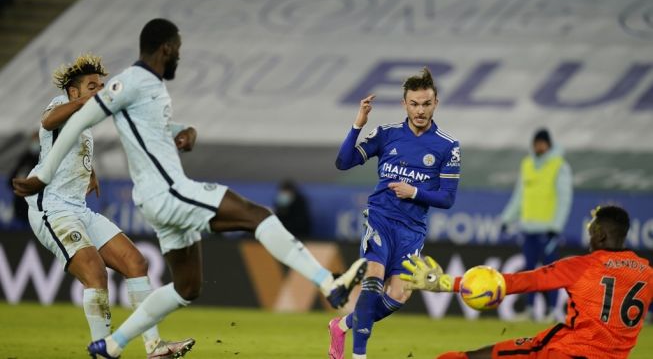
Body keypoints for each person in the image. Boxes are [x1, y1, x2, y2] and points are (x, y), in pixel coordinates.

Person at [12, 18, 367, 359]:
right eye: (178, 50)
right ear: (166, 49)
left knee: (176, 283)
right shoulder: (113, 88)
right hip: (146, 195)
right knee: (254, 215)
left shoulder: (150, 89)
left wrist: (185, 130)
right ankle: (328, 282)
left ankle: (122, 346)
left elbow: (149, 128)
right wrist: (43, 175)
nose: (99, 91)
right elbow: (60, 122)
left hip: (104, 205)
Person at [22, 53, 193, 358]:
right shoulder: (60, 104)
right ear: (73, 92)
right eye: (92, 86)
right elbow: (47, 122)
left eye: (101, 85)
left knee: (136, 263)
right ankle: (104, 353)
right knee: (95, 274)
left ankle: (155, 347)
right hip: (53, 210)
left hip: (79, 209)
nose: (99, 90)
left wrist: (90, 172)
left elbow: (71, 147)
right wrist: (84, 102)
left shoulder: (84, 122)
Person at [328, 67, 461, 359]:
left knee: (399, 294)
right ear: (404, 104)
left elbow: (447, 199)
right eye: (414, 103)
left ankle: (342, 326)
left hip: (412, 230)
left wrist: (413, 192)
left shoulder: (448, 147)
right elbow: (343, 162)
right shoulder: (387, 135)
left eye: (426, 103)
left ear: (435, 103)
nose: (420, 110)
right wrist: (357, 125)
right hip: (381, 219)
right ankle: (358, 356)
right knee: (372, 282)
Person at [402, 205, 653, 359]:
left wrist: (446, 283)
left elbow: (524, 281)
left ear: (600, 233)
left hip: (566, 352)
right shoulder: (646, 272)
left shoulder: (584, 266)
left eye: (592, 227)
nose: (588, 231)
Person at [499, 128, 573, 321]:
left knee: (550, 273)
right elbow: (519, 196)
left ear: (549, 144)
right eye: (537, 143)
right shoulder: (527, 164)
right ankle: (531, 309)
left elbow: (565, 199)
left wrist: (556, 227)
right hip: (528, 228)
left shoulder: (559, 166)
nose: (539, 146)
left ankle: (552, 311)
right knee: (529, 272)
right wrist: (507, 219)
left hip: (547, 229)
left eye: (542, 143)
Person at [7, 130, 39, 228]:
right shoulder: (25, 157)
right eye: (33, 140)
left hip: (36, 208)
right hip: (20, 205)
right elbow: (11, 180)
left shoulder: (45, 159)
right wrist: (19, 187)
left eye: (37, 140)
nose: (35, 143)